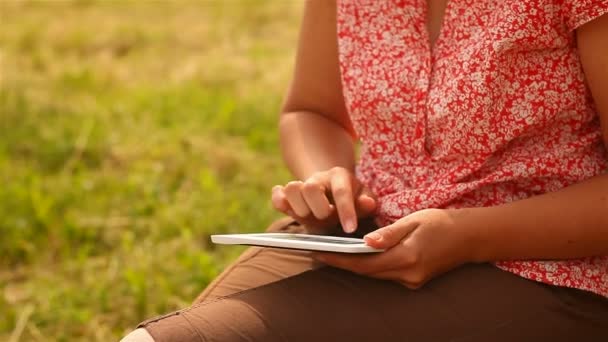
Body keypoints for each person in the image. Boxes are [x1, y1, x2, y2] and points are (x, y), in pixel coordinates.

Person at [122, 0, 608, 341]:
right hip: (372, 238)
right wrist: (329, 178)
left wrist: (467, 235)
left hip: (552, 273)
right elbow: (311, 111)